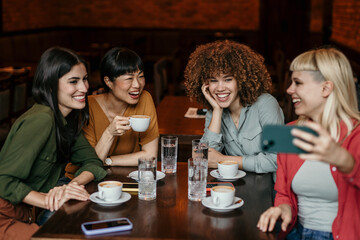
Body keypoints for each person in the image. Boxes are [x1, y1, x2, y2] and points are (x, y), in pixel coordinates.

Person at [0, 47, 107, 240]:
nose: (84, 88)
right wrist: (50, 200)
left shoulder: (68, 120)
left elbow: (93, 162)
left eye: (84, 79)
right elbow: (3, 181)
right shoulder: (42, 119)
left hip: (26, 214)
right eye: (73, 81)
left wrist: (70, 187)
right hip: (5, 216)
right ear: (50, 86)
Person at [257, 47, 360, 240]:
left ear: (326, 88)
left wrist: (344, 161)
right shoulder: (291, 132)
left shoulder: (356, 135)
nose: (289, 89)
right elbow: (283, 192)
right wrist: (283, 208)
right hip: (296, 233)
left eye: (298, 82)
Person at [184, 40, 284, 177]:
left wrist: (223, 160)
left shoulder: (266, 104)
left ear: (242, 80)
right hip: (236, 185)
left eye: (228, 79)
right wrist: (217, 111)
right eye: (213, 80)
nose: (220, 88)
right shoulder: (214, 110)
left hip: (270, 190)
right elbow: (202, 157)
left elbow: (276, 159)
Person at [65, 47, 159, 178]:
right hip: (80, 181)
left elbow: (150, 155)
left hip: (121, 177)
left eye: (141, 76)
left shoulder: (145, 99)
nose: (137, 85)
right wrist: (109, 133)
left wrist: (108, 161)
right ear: (108, 81)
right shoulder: (87, 106)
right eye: (129, 78)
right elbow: (89, 164)